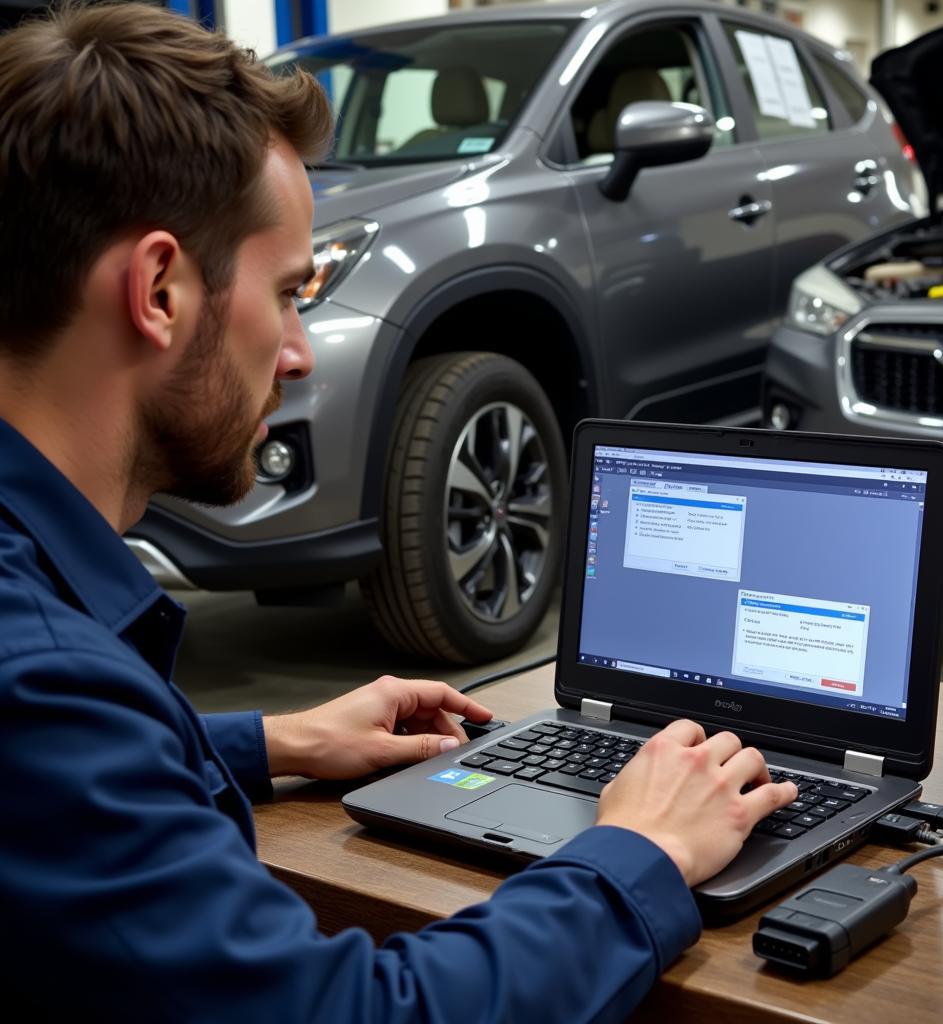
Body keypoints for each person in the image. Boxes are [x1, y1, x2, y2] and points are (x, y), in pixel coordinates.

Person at [0, 4, 797, 1021]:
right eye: (289, 291)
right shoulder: (40, 682)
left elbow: (70, 797)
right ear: (159, 289)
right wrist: (641, 849)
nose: (295, 349)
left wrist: (269, 742)